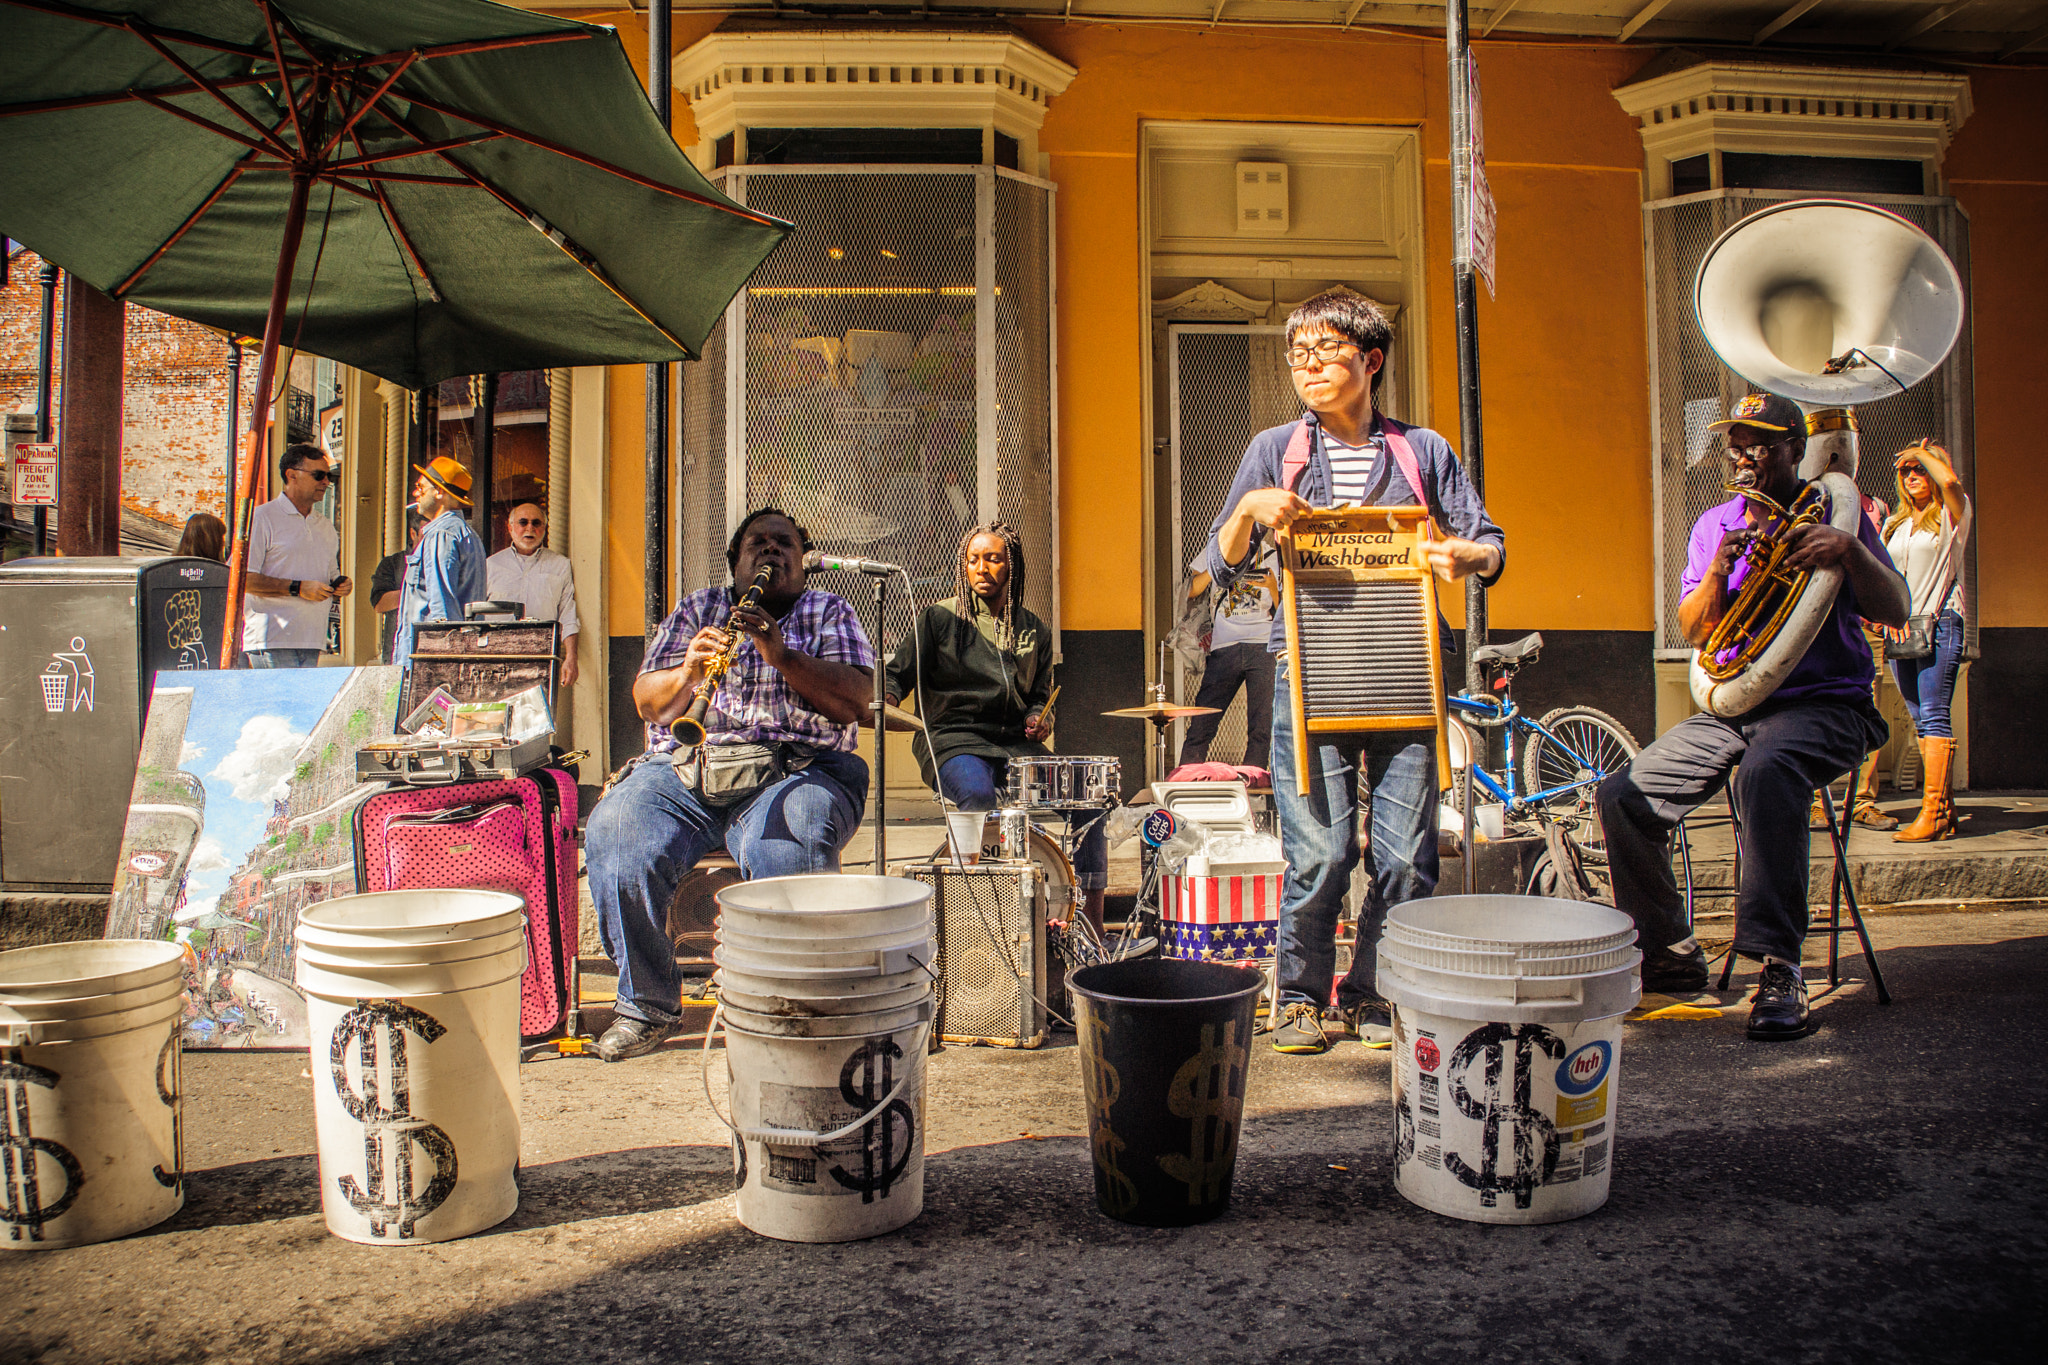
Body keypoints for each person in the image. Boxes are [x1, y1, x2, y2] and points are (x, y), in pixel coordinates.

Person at [1202, 289, 1505, 1055]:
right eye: (1296, 354)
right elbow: (1220, 562)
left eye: (1323, 352)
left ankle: (1374, 993)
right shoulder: (1275, 450)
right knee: (1322, 853)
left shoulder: (1424, 452)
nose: (1305, 367)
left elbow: (1488, 541)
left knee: (1407, 856)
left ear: (1370, 361)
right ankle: (1300, 996)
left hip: (1407, 675)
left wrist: (1466, 557)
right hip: (1308, 675)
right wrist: (1252, 508)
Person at [1596, 392, 1908, 1041]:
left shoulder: (1835, 515)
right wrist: (1720, 568)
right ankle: (1672, 955)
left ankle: (1779, 965)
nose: (1742, 454)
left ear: (1797, 447)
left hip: (1825, 704)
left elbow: (1897, 606)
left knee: (1766, 772)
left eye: (1759, 442)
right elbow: (1691, 626)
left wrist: (1847, 550)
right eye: (1736, 441)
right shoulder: (1716, 523)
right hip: (1735, 705)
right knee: (1623, 794)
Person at [585, 508, 876, 1062]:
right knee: (617, 835)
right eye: (757, 544)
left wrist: (781, 654)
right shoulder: (698, 608)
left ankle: (789, 1009)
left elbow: (853, 703)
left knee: (787, 852)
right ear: (736, 563)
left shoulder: (828, 610)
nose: (771, 552)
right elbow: (648, 700)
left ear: (803, 560)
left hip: (798, 765)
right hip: (690, 764)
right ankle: (646, 1006)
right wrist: (689, 672)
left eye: (783, 544)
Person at [882, 522, 1110, 929]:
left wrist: (1039, 719)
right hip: (954, 740)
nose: (981, 568)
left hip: (1014, 746)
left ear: (1013, 566)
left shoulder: (1033, 629)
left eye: (992, 558)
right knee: (977, 793)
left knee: (1088, 800)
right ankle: (982, 917)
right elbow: (897, 674)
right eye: (973, 560)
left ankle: (1089, 924)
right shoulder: (937, 619)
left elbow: (1041, 695)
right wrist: (888, 700)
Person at [1884, 440, 1973, 843]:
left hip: (1940, 622)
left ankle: (1933, 811)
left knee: (1934, 713)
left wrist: (1927, 457)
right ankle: (1945, 811)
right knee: (1919, 717)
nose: (1913, 474)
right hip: (1899, 629)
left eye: (1920, 467)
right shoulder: (1896, 524)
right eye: (1905, 469)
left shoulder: (1954, 515)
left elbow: (1950, 481)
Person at [241, 442, 351, 668]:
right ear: (291, 475)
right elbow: (244, 579)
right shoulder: (262, 518)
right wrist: (298, 588)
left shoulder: (325, 526)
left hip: (313, 639)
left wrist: (341, 585)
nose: (326, 482)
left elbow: (331, 577)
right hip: (271, 639)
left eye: (328, 476)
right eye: (319, 475)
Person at [1174, 549, 1277, 774]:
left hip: (1263, 645)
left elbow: (1283, 608)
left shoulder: (1273, 555)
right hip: (1223, 646)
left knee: (1261, 723)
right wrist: (1216, 568)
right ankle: (1187, 779)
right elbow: (1190, 591)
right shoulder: (1217, 550)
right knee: (1203, 720)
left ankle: (1253, 782)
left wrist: (1271, 586)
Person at [393, 455, 486, 669]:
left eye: (420, 487)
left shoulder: (441, 535)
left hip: (426, 661)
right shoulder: (466, 534)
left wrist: (439, 665)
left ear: (439, 492)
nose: (416, 493)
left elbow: (441, 610)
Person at [485, 501, 581, 687]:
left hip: (540, 660)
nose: (530, 528)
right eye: (523, 522)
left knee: (537, 714)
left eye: (536, 523)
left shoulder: (560, 566)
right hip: (495, 660)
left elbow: (567, 614)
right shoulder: (491, 565)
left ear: (544, 528)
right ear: (510, 527)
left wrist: (571, 657)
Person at [369, 516, 423, 666]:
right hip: (397, 650)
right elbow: (379, 603)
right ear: (413, 534)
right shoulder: (392, 563)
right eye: (427, 534)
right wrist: (420, 592)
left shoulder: (444, 560)